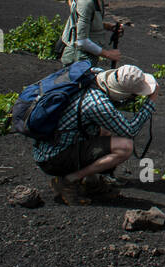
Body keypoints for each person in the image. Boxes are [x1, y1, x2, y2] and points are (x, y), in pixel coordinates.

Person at [34, 64, 157, 205]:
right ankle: (69, 180)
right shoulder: (98, 104)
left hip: (47, 145)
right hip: (53, 158)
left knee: (104, 131)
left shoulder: (94, 75)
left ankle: (91, 182)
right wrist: (151, 102)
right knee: (125, 147)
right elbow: (130, 130)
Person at [59, 0, 131, 68]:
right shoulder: (87, 1)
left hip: (84, 60)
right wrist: (108, 54)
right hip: (77, 61)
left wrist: (107, 26)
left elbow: (88, 23)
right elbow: (82, 40)